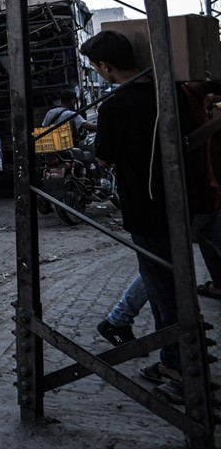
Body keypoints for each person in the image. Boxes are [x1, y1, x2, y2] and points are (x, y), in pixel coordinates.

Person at [81, 29, 183, 403]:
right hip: (180, 201)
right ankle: (172, 357)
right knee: (165, 282)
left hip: (144, 205)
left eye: (96, 67)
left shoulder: (115, 105)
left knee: (162, 290)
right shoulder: (168, 93)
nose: (97, 72)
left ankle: (177, 363)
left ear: (106, 67)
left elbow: (103, 156)